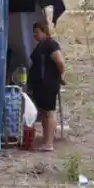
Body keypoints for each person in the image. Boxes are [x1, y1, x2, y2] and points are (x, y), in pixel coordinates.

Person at [28, 19, 66, 152]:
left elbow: (60, 62)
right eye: (33, 33)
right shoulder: (40, 45)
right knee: (44, 113)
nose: (34, 35)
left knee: (50, 112)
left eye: (36, 32)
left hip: (48, 83)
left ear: (44, 31)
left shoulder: (51, 44)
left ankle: (49, 143)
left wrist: (61, 75)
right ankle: (45, 140)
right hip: (40, 84)